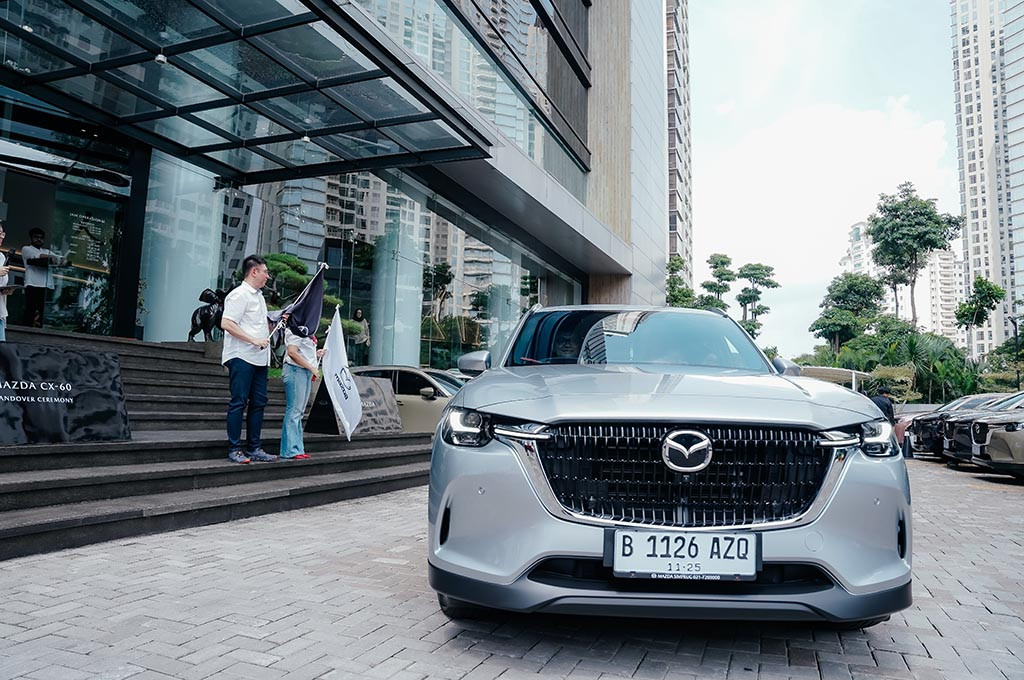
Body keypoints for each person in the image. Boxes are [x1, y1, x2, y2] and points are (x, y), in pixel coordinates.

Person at [220, 255, 279, 464]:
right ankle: (235, 448)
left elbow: (255, 325)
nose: (267, 276)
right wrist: (253, 340)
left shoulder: (259, 297)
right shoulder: (239, 294)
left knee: (259, 402)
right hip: (241, 356)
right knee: (239, 401)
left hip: (260, 359)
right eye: (265, 271)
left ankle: (254, 447)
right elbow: (226, 323)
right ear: (254, 271)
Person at [281, 329, 324, 460]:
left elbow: (301, 352)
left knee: (298, 412)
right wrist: (311, 367)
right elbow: (292, 352)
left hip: (304, 371)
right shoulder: (296, 327)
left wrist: (315, 355)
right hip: (296, 370)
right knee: (295, 410)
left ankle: (297, 448)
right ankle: (290, 449)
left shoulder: (307, 329)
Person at [21, 228, 60, 328]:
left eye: (41, 238)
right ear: (31, 238)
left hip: (46, 286)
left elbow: (59, 259)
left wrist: (58, 259)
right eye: (36, 237)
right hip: (33, 284)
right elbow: (38, 256)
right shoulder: (26, 249)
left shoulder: (47, 251)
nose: (39, 239)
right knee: (30, 310)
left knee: (44, 313)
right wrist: (52, 257)